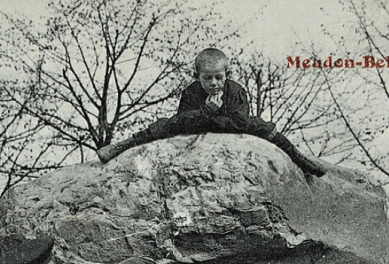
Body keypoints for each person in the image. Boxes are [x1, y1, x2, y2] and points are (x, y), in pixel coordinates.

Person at [96, 48, 326, 177]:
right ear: (197, 76)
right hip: (201, 125)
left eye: (219, 77)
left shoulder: (236, 91)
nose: (214, 83)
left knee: (264, 126)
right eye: (207, 78)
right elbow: (183, 120)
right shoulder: (191, 92)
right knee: (165, 124)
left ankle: (298, 157)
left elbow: (240, 122)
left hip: (229, 125)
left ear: (227, 75)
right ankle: (123, 145)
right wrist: (205, 112)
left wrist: (215, 116)